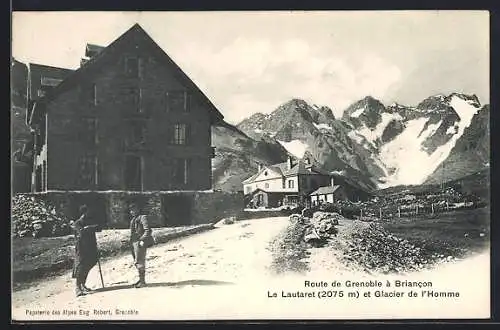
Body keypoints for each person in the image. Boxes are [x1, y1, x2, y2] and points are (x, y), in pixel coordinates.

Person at [71, 204, 100, 297]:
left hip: (91, 247)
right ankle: (78, 287)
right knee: (81, 266)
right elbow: (81, 233)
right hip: (82, 248)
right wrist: (89, 228)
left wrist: (92, 227)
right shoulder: (78, 223)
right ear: (84, 213)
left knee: (90, 263)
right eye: (87, 212)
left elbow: (99, 228)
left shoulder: (89, 221)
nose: (89, 214)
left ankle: (83, 285)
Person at [129, 203, 152, 288]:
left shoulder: (143, 217)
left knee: (139, 261)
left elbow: (147, 230)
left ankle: (142, 282)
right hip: (133, 242)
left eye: (133, 209)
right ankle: (140, 279)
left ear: (138, 209)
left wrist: (142, 240)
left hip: (139, 242)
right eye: (131, 210)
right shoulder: (134, 219)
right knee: (136, 261)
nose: (132, 212)